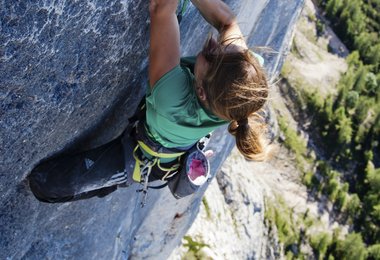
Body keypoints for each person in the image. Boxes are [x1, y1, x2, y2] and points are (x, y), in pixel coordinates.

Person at [146, 0, 270, 161]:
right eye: (228, 47)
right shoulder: (242, 76)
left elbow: (161, 8)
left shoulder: (173, 98)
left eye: (210, 56)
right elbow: (227, 23)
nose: (213, 42)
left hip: (154, 150)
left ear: (201, 92)